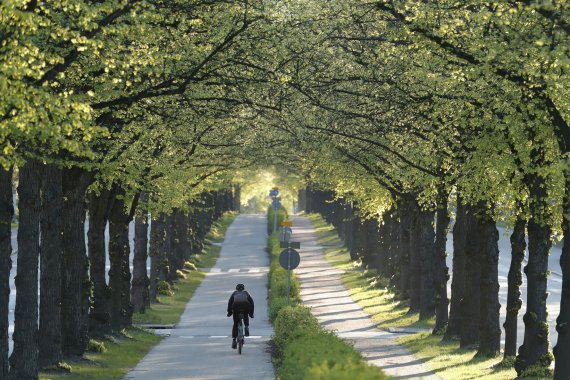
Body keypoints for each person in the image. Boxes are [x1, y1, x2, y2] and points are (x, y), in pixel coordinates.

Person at [227, 283, 254, 349]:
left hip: (236, 307)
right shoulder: (246, 293)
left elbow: (230, 303)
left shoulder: (234, 293)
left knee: (235, 324)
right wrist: (251, 313)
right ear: (243, 288)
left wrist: (229, 313)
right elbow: (252, 303)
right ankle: (246, 327)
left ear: (236, 289)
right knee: (245, 315)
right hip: (246, 307)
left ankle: (234, 340)